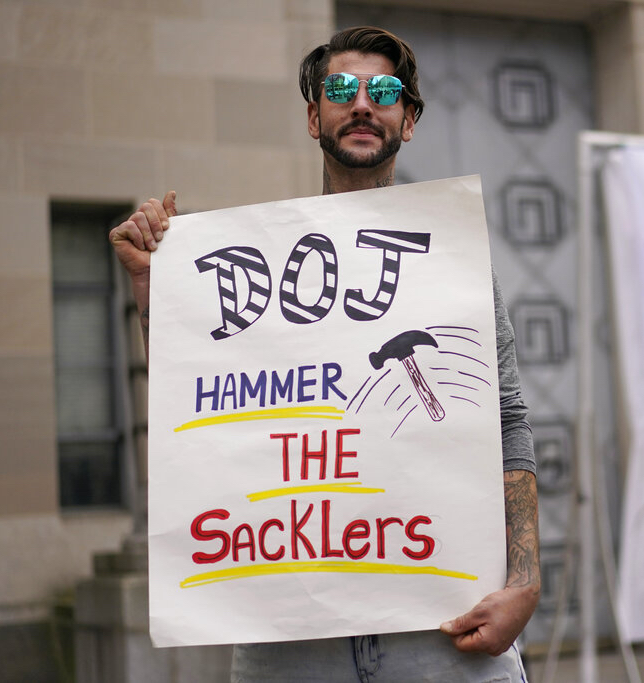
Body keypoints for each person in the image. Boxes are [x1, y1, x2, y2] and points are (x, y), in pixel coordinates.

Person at [109, 26, 540, 682]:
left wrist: (526, 581)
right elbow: (194, 409)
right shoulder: (250, 260)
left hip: (445, 627)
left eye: (384, 91)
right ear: (315, 116)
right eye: (341, 89)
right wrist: (153, 294)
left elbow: (507, 421)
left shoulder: (455, 258)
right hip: (287, 636)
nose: (362, 103)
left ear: (409, 119)